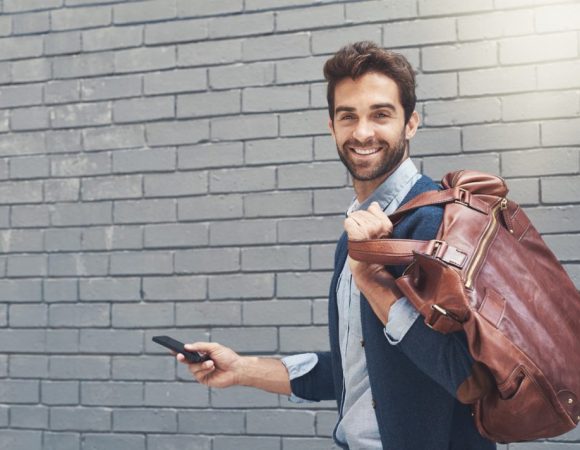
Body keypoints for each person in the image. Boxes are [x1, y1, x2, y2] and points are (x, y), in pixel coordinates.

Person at [176, 41, 497, 450]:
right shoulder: (354, 237)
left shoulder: (437, 225)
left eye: (381, 114)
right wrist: (242, 369)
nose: (362, 132)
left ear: (411, 123)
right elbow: (360, 372)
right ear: (331, 127)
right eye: (348, 117)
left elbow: (469, 378)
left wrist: (373, 280)